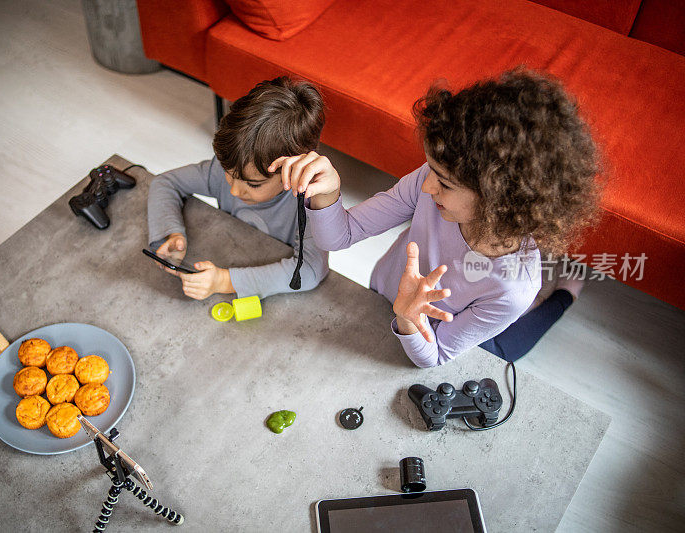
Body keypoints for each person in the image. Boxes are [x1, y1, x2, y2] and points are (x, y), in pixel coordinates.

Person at [271, 68, 600, 366]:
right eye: (431, 170)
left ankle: (564, 294)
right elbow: (339, 236)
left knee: (507, 349)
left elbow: (435, 355)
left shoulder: (512, 289)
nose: (426, 186)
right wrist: (327, 193)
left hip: (429, 323)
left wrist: (407, 317)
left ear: (498, 201)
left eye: (444, 182)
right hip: (384, 291)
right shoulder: (429, 184)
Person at [147, 76, 329, 300]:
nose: (234, 191)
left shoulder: (312, 201)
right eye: (230, 175)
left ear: (293, 172)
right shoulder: (229, 168)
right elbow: (164, 183)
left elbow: (311, 270)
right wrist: (171, 232)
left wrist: (224, 281)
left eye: (253, 184)